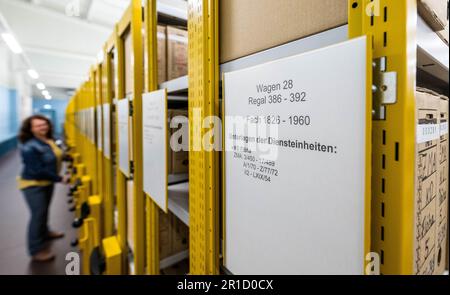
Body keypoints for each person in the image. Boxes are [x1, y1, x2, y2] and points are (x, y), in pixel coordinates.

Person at [17, 115, 68, 262]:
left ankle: (46, 232)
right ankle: (35, 249)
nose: (42, 127)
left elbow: (56, 155)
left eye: (44, 124)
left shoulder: (48, 140)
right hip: (34, 185)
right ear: (31, 129)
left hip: (46, 182)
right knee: (38, 215)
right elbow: (36, 171)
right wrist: (60, 178)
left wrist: (67, 158)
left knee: (44, 210)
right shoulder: (29, 146)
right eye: (38, 126)